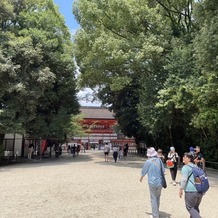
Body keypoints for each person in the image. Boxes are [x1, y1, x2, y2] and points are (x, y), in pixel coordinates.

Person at [140, 147, 165, 218]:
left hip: (152, 182)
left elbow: (144, 171)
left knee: (153, 197)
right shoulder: (159, 160)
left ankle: (155, 215)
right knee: (157, 197)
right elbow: (163, 170)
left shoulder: (148, 161)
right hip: (160, 181)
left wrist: (141, 177)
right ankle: (156, 212)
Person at [179, 152, 203, 218]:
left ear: (189, 159)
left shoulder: (185, 167)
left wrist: (181, 189)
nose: (183, 158)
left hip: (191, 191)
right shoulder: (196, 166)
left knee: (190, 207)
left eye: (185, 157)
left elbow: (184, 180)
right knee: (195, 207)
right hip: (199, 191)